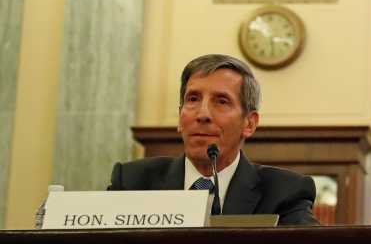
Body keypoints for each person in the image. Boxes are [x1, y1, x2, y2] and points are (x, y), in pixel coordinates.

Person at [107, 54, 318, 226]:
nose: (202, 114)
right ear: (180, 117)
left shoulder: (284, 192)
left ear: (249, 124)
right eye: (193, 99)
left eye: (221, 101)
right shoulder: (132, 182)